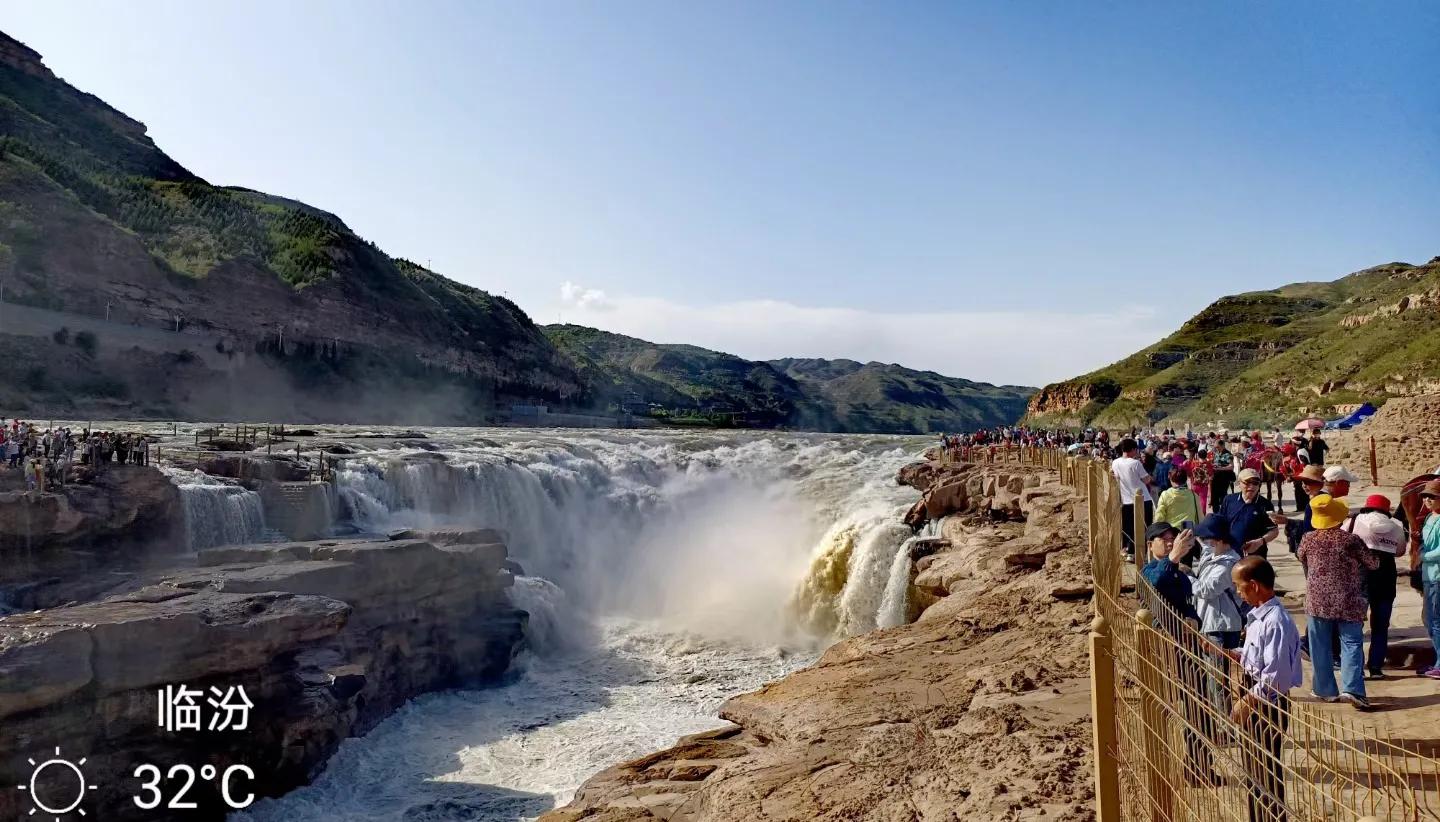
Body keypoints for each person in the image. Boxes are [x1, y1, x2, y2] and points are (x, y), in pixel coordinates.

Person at [1226, 555, 1302, 822]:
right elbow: (1258, 658)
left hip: (1267, 702)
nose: (1237, 591)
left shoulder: (1276, 622)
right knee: (1253, 768)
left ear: (1255, 585)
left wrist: (1248, 701)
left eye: (1239, 585)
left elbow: (1276, 676)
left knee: (1266, 770)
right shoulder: (1258, 618)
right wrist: (1234, 654)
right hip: (1255, 692)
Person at [1298, 495, 1378, 710]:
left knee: (1320, 645)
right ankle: (1353, 690)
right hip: (1349, 600)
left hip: (1317, 601)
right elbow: (1373, 563)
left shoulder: (1308, 539)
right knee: (1351, 644)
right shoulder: (1350, 540)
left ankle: (1325, 690)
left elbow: (1301, 557)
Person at [1351, 494, 1406, 679]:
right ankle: (1375, 667)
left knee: (1355, 624)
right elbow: (1400, 551)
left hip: (1361, 574)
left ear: (1367, 507)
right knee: (1381, 625)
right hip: (1386, 575)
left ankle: (1355, 668)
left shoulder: (1355, 520)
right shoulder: (1396, 526)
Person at [1190, 514, 1246, 650]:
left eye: (1206, 538)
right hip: (1211, 621)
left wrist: (1187, 578)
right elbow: (1206, 549)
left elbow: (1206, 590)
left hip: (1221, 627)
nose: (1204, 541)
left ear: (1218, 540)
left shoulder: (1227, 565)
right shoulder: (1215, 554)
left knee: (1215, 669)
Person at [1219, 468, 1281, 559]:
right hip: (1230, 554)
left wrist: (1260, 541)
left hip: (1256, 555)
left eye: (1255, 483)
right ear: (1239, 483)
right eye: (1247, 482)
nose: (1251, 487)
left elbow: (1274, 531)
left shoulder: (1265, 504)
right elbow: (1220, 523)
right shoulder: (1229, 500)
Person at [1142, 521, 1197, 619]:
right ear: (1150, 545)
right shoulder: (1147, 571)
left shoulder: (1182, 573)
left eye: (1172, 539)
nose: (1170, 543)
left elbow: (1189, 605)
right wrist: (1172, 558)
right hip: (1158, 632)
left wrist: (1194, 621)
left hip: (1181, 632)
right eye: (1164, 539)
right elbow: (1157, 580)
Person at [1111, 438, 1154, 559]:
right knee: (1145, 526)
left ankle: (1129, 551)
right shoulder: (1135, 463)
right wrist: (1150, 477)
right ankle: (1142, 553)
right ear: (1132, 450)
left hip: (1126, 499)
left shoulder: (1115, 462)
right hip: (1143, 499)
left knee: (1128, 527)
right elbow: (1146, 479)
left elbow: (1116, 476)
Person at [1419, 481, 1440, 679]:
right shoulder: (1428, 518)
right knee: (1430, 619)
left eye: (1431, 497)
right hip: (1428, 575)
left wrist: (1424, 556)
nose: (1427, 500)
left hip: (1437, 576)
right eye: (1425, 496)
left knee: (1435, 621)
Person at [1211, 441, 1237, 514]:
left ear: (1222, 445)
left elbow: (1231, 467)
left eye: (1218, 447)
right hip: (1215, 478)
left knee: (1222, 496)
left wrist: (1220, 468)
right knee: (1214, 497)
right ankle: (1215, 514)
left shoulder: (1228, 454)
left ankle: (1223, 514)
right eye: (1215, 447)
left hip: (1224, 478)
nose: (1216, 449)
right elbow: (1214, 462)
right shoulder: (1216, 453)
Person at [1186, 446, 1213, 514]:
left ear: (1198, 455)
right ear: (1206, 455)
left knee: (1194, 501)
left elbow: (1189, 474)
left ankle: (1194, 515)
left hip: (1194, 485)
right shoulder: (1208, 464)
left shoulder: (1194, 463)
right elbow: (1211, 476)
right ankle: (1202, 517)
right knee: (1203, 503)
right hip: (1204, 486)